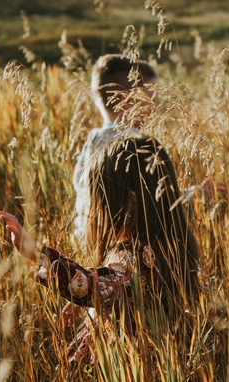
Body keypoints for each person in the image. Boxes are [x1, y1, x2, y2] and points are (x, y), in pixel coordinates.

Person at [0, 137, 202, 380]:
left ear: (131, 203)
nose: (94, 212)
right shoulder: (168, 244)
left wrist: (37, 253)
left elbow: (93, 284)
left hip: (127, 366)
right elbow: (116, 287)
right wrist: (93, 302)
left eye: (101, 203)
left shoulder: (133, 256)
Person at [73, 55, 221, 244]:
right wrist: (196, 196)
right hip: (115, 251)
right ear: (124, 100)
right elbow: (151, 203)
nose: (152, 106)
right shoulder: (133, 146)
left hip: (84, 241)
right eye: (148, 98)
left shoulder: (92, 141)